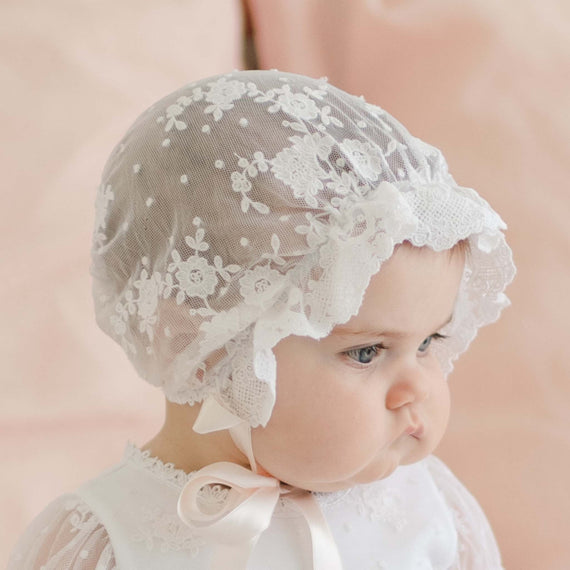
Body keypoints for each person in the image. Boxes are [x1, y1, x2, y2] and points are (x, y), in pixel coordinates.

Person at [8, 69, 515, 570]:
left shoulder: (427, 510)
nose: (418, 389)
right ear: (207, 343)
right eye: (367, 351)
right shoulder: (109, 543)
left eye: (430, 342)